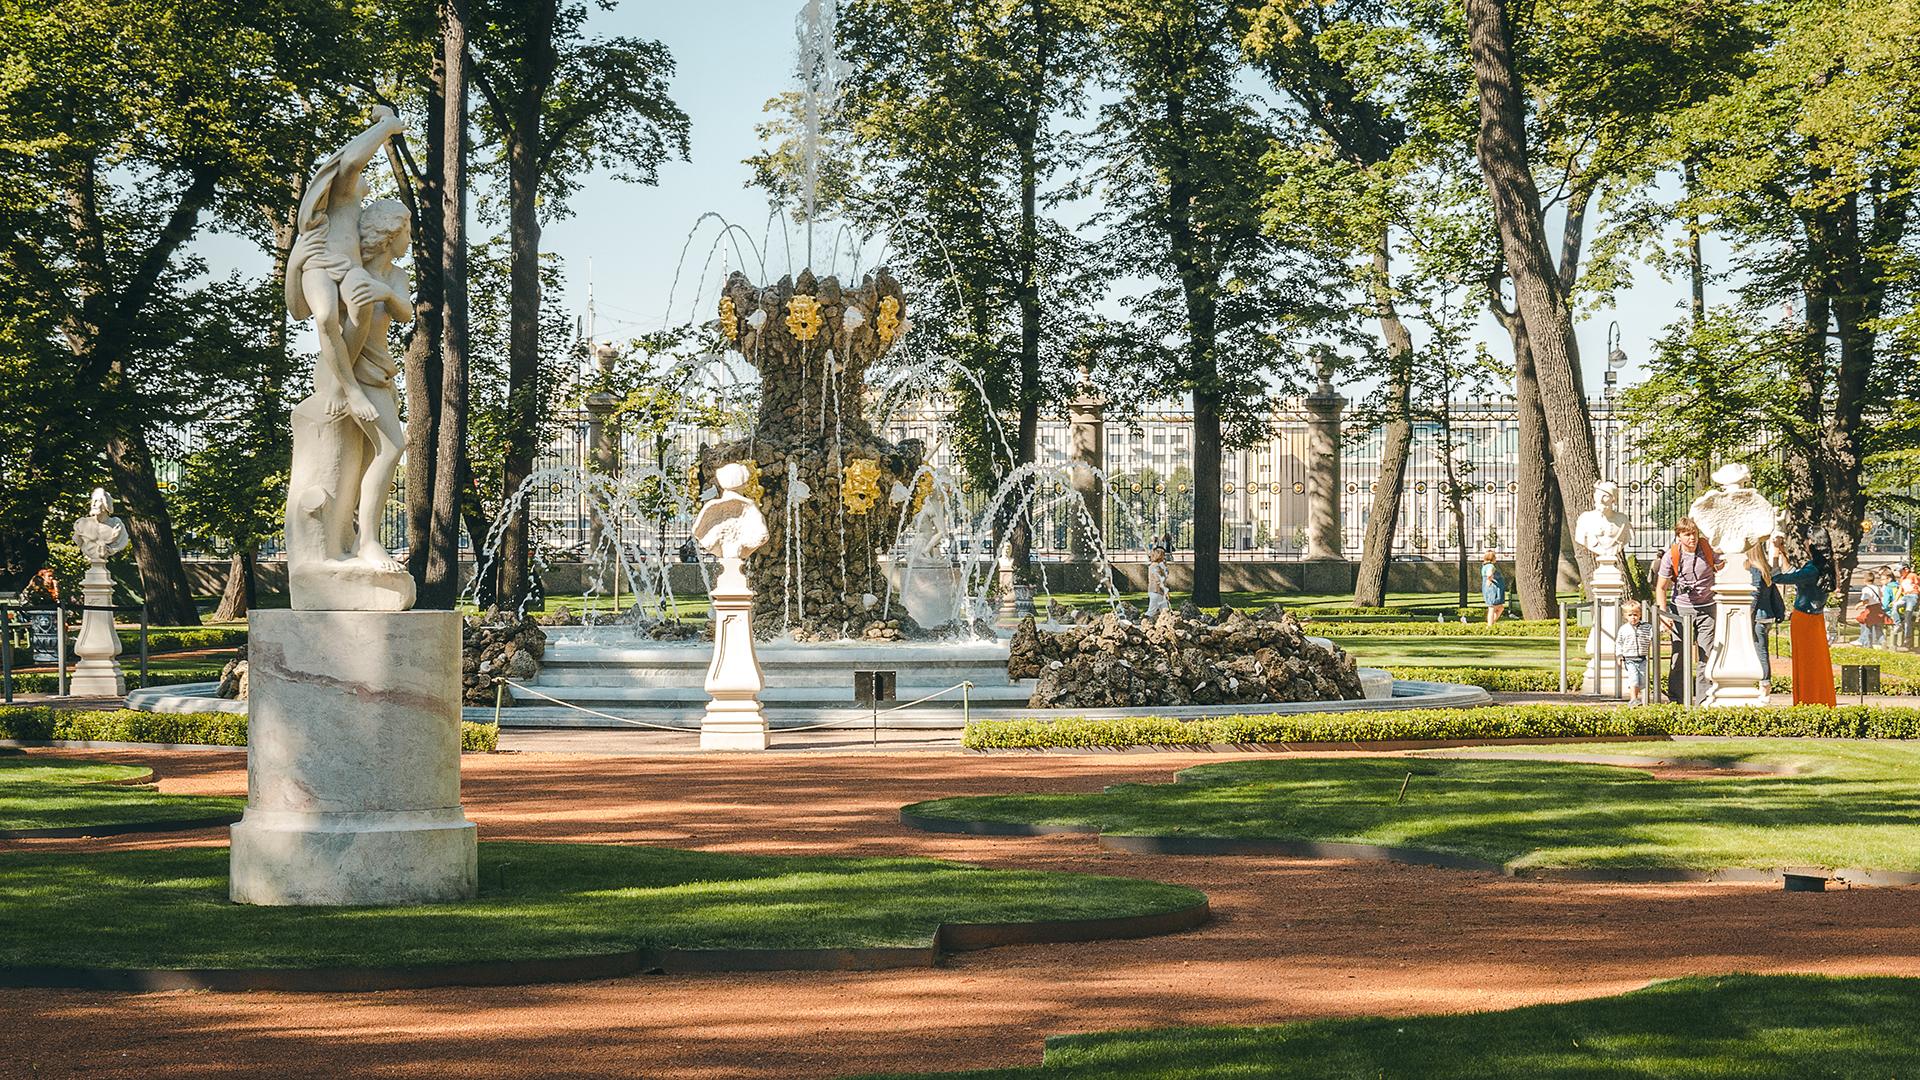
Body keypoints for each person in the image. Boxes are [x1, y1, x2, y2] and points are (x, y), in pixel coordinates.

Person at [1654, 517, 1720, 704]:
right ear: (1679, 536)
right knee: (1680, 656)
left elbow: (1723, 566)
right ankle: (1677, 699)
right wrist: (1663, 614)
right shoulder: (1672, 555)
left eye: (1694, 534)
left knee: (1706, 654)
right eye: (1687, 534)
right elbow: (1661, 587)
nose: (1692, 538)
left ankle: (1703, 700)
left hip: (1707, 608)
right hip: (1681, 609)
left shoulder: (1707, 549)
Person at [1769, 531, 1837, 706]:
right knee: (1817, 661)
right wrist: (1783, 551)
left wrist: (1775, 554)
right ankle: (1820, 698)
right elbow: (1794, 572)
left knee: (1805, 663)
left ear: (1813, 543)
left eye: (1807, 539)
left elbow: (1777, 577)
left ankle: (1807, 699)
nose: (1805, 542)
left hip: (1804, 619)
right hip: (1816, 619)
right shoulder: (1823, 566)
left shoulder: (1811, 569)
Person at [1752, 544, 1786, 703]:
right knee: (1762, 651)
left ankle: (1764, 685)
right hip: (1767, 616)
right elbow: (1774, 593)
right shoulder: (1765, 568)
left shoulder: (1754, 570)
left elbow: (1755, 594)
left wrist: (1748, 615)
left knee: (1761, 653)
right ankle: (1763, 685)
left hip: (1757, 617)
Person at [1618, 600, 1656, 705]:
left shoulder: (1646, 627)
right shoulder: (1623, 629)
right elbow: (1619, 642)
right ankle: (1633, 699)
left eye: (1635, 614)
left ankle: (1637, 699)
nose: (1633, 617)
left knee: (1642, 681)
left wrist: (1661, 630)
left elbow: (1653, 634)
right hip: (1629, 658)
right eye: (1630, 615)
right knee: (1634, 679)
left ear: (1640, 615)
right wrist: (1619, 655)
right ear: (1626, 616)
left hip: (1642, 658)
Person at [1858, 569, 1889, 648]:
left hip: (1870, 609)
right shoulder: (1877, 587)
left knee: (1868, 627)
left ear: (1864, 580)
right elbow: (1881, 596)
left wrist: (1858, 605)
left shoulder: (1865, 589)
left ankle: (1868, 644)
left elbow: (1866, 600)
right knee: (1878, 628)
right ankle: (1883, 641)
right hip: (1878, 608)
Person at [1480, 550, 1507, 626]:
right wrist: (1489, 579)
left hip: (1489, 588)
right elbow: (1489, 574)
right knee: (1492, 607)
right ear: (1492, 558)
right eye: (1495, 556)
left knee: (1500, 607)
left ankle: (1492, 623)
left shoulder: (1484, 566)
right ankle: (1490, 625)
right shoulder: (1491, 566)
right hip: (1493, 589)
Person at [1144, 544, 1170, 617]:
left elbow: (1164, 577)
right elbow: (1158, 580)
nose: (1164, 556)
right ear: (1160, 556)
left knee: (1165, 611)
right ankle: (1143, 622)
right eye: (1163, 555)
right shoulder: (1155, 566)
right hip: (1156, 591)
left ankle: (1166, 625)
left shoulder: (1157, 566)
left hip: (1159, 592)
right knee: (1151, 611)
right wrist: (1166, 591)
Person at [1899, 566, 1919, 650]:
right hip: (1907, 600)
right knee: (1907, 619)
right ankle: (1907, 642)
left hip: (1914, 600)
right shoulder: (1902, 578)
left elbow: (1917, 587)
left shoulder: (1913, 576)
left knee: (1908, 617)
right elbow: (1901, 590)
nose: (1899, 572)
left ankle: (1908, 642)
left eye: (1900, 570)